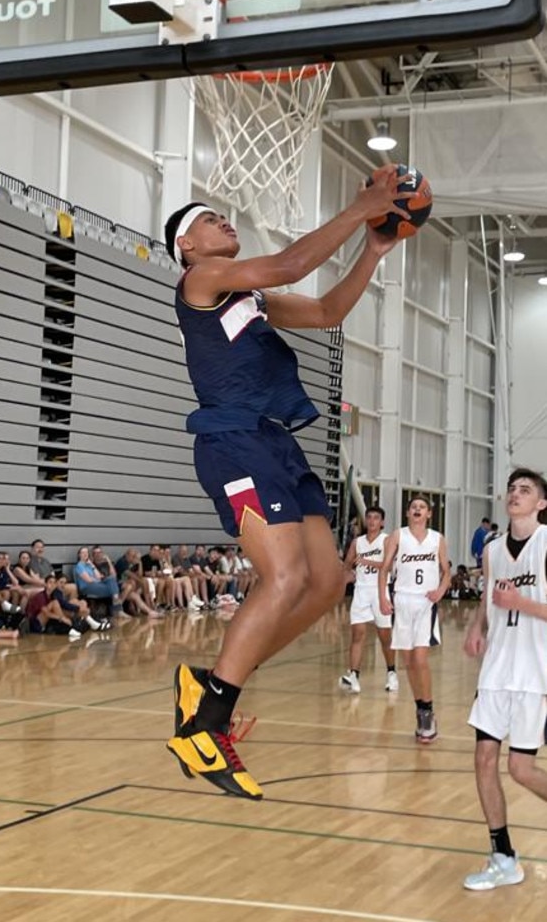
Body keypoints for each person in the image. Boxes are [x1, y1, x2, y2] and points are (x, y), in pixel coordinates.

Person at [163, 165, 413, 800]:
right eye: (206, 219)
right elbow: (291, 263)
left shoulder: (251, 300)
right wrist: (363, 207)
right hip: (232, 440)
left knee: (327, 582)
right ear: (188, 247)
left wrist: (373, 247)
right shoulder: (202, 279)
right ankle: (207, 723)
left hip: (274, 440)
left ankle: (209, 686)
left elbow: (329, 309)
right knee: (286, 578)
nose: (224, 220)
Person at [462, 467, 547, 892]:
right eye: (512, 489)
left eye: (525, 490)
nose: (516, 494)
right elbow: (489, 599)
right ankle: (503, 857)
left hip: (535, 673)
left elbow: (522, 602)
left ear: (541, 503)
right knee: (483, 760)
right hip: (497, 670)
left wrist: (521, 603)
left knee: (522, 769)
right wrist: (478, 625)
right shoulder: (493, 550)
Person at [378, 496, 450, 743]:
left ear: (429, 513)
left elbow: (446, 571)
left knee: (420, 658)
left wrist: (441, 590)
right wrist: (383, 597)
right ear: (408, 513)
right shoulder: (398, 536)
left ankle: (428, 710)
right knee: (408, 661)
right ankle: (420, 708)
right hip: (402, 601)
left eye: (422, 507)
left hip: (425, 602)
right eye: (413, 507)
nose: (417, 510)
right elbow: (384, 569)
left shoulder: (437, 539)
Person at [339, 506, 397, 694]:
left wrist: (366, 562)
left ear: (382, 522)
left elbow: (387, 566)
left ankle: (391, 673)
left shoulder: (387, 540)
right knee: (357, 634)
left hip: (380, 591)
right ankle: (354, 676)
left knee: (384, 637)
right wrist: (345, 573)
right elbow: (347, 565)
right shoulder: (358, 542)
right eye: (369, 517)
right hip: (361, 591)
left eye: (376, 518)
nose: (372, 521)